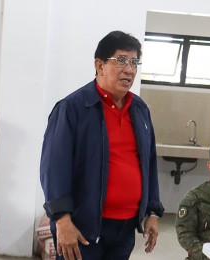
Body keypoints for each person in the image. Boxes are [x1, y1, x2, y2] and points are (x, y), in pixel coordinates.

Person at [40, 30, 164, 260]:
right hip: (83, 228)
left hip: (125, 228)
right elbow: (54, 169)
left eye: (135, 62)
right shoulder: (72, 108)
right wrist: (62, 220)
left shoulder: (139, 109)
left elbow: (149, 162)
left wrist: (153, 212)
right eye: (121, 60)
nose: (129, 69)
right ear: (100, 65)